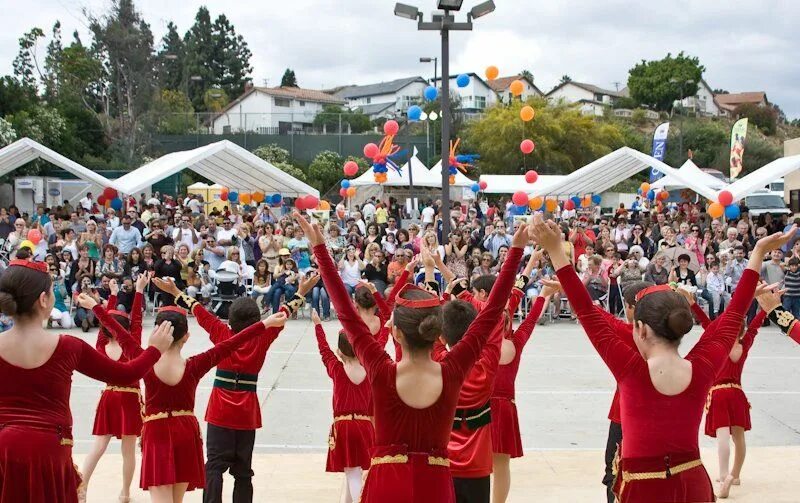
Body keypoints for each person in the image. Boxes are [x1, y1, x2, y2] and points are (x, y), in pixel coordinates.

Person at [532, 212, 791, 503]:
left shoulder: (630, 370)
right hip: (693, 484)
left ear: (640, 329)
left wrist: (556, 251)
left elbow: (587, 312)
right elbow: (734, 313)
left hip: (644, 490)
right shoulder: (703, 366)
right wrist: (757, 253)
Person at [299, 210, 526, 502]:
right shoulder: (452, 371)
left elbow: (344, 309)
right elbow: (493, 312)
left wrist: (321, 250)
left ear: (396, 334)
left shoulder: (382, 371)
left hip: (387, 485)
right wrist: (515, 252)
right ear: (436, 332)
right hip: (436, 487)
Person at [83, 288, 287, 503]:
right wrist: (264, 324)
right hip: (186, 432)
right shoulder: (195, 365)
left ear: (157, 333)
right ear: (187, 337)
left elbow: (121, 333)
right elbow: (231, 343)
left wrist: (96, 308)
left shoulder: (145, 361)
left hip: (158, 432)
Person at [0, 259, 173, 503]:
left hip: (4, 449)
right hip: (50, 451)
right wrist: (155, 349)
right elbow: (126, 374)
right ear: (43, 300)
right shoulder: (68, 346)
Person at [154, 275, 313, 503]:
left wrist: (177, 292)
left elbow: (199, 311)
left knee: (214, 467)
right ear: (257, 320)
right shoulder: (262, 337)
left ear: (231, 320)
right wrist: (301, 293)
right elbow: (283, 313)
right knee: (243, 472)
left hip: (221, 409)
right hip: (247, 411)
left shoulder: (222, 334)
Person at [681, 289, 766, 498]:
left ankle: (723, 474)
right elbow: (754, 327)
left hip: (718, 393)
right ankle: (735, 475)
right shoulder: (744, 344)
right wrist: (765, 309)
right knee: (739, 438)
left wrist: (693, 305)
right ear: (743, 332)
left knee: (722, 438)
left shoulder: (720, 341)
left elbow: (706, 323)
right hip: (737, 393)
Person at [79, 275, 151, 502]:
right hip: (129, 399)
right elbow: (136, 320)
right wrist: (138, 290)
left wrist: (111, 296)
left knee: (99, 446)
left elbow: (106, 323)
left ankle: (82, 485)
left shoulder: (102, 344)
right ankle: (125, 492)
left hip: (109, 396)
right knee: (128, 451)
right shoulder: (131, 344)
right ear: (127, 329)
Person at [490, 283, 556, 503]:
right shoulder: (515, 342)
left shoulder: (478, 343)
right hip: (504, 408)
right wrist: (543, 295)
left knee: (477, 464)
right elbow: (530, 321)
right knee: (501, 466)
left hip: (479, 407)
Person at [312, 309, 374, 503]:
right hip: (365, 426)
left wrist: (318, 325)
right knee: (353, 471)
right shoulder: (371, 371)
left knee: (353, 473)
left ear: (339, 351)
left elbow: (324, 350)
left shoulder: (337, 369)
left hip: (344, 426)